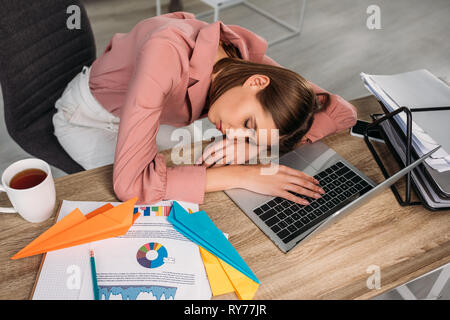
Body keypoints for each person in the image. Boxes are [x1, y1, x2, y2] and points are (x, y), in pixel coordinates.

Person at [52, 12, 357, 206]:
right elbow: (132, 185)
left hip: (151, 117)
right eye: (248, 124)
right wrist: (244, 175)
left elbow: (342, 113)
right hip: (87, 119)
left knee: (191, 188)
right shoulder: (167, 54)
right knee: (147, 208)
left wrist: (254, 147)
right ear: (256, 83)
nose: (233, 133)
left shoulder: (244, 67)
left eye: (248, 133)